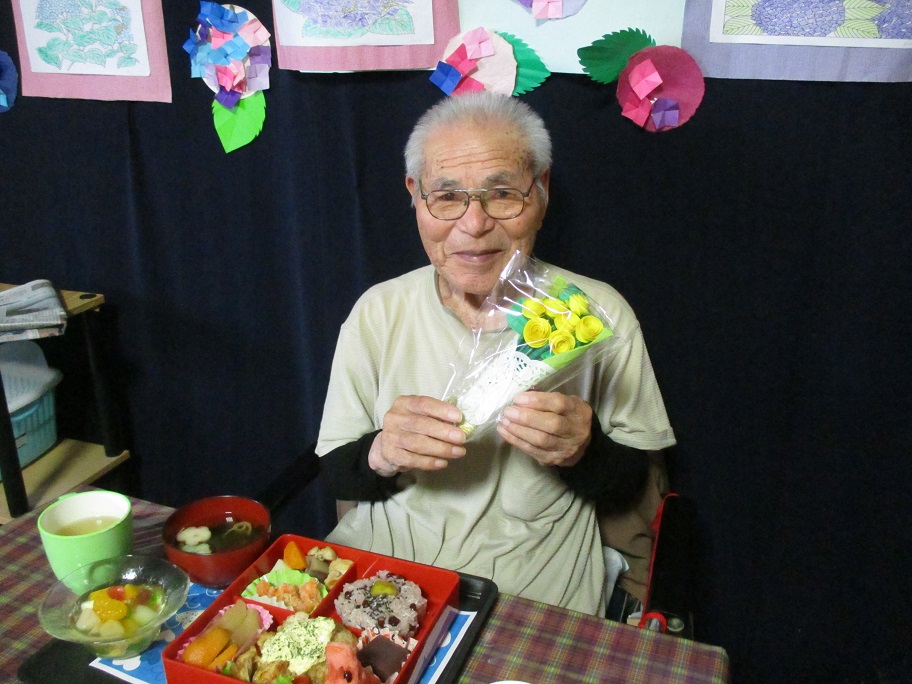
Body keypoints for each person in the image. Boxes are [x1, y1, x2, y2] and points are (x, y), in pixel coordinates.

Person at [316, 91, 675, 616]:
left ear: (541, 191)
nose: (474, 224)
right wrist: (382, 452)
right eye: (447, 196)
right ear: (416, 196)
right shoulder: (378, 311)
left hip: (534, 600)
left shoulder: (597, 315)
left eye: (502, 194)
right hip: (385, 579)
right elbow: (337, 471)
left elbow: (637, 488)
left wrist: (586, 451)